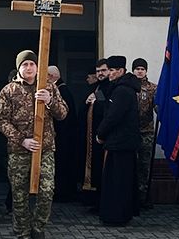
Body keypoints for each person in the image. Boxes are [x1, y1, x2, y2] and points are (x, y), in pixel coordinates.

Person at [0, 50, 68, 239]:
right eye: (25, 64)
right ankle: (23, 237)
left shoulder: (49, 87)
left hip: (45, 149)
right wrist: (22, 140)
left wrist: (50, 101)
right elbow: (1, 120)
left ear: (38, 67)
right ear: (19, 67)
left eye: (32, 64)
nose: (29, 68)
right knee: (19, 196)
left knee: (47, 191)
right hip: (19, 151)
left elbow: (63, 114)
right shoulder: (9, 91)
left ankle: (38, 230)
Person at [94, 55, 141, 227]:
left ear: (120, 71)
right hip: (124, 142)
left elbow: (113, 116)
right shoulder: (123, 88)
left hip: (120, 142)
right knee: (122, 179)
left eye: (112, 71)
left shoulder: (122, 91)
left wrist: (100, 133)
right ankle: (122, 213)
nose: (110, 74)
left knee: (117, 181)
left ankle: (116, 215)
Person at [48, 65, 79, 201]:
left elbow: (64, 115)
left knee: (63, 166)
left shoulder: (61, 91)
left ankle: (63, 193)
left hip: (63, 136)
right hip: (63, 135)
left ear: (51, 77)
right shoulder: (62, 89)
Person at [82, 59, 111, 199]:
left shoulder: (110, 86)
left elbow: (106, 106)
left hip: (103, 135)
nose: (100, 73)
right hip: (93, 134)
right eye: (98, 71)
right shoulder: (97, 86)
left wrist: (96, 100)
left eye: (103, 71)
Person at [132, 58, 158, 209]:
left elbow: (157, 107)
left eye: (142, 69)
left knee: (144, 164)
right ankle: (132, 195)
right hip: (131, 131)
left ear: (146, 71)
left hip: (147, 131)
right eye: (137, 69)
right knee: (131, 164)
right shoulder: (129, 86)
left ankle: (144, 196)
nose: (139, 71)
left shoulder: (153, 88)